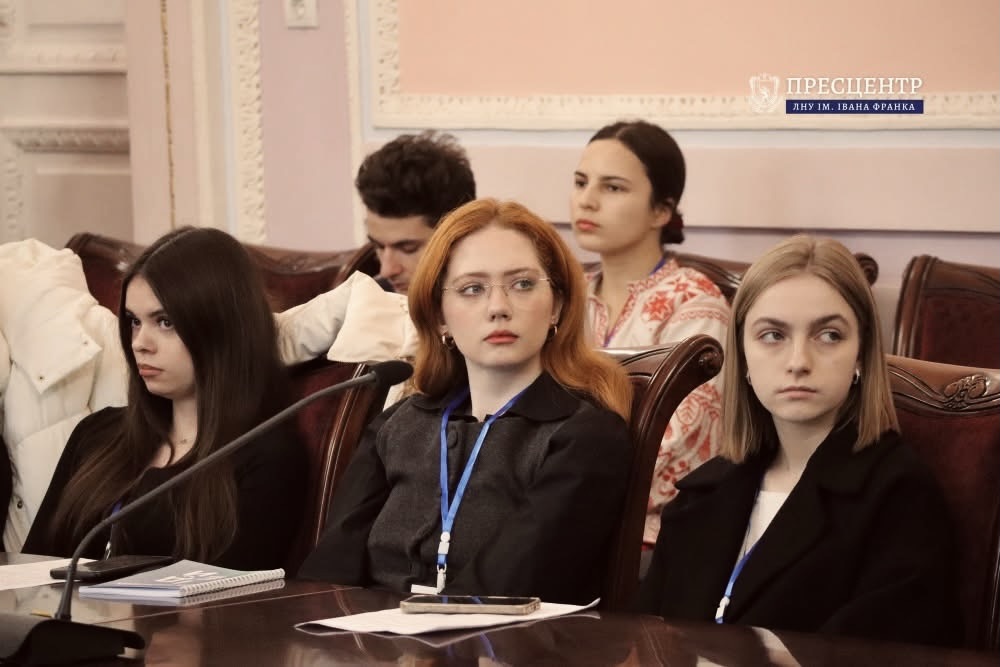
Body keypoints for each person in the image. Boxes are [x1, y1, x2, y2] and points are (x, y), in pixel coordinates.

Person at [300, 198, 633, 604]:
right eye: (472, 289)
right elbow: (327, 574)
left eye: (523, 284)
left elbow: (508, 589)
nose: (498, 308)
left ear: (557, 306)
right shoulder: (398, 424)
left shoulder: (586, 436)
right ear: (440, 316)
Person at [637, 235, 960, 646]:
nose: (798, 362)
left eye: (829, 335)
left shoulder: (900, 495)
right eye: (773, 335)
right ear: (743, 355)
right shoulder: (702, 494)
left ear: (861, 354)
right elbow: (647, 638)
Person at [23, 227, 307, 569]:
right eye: (134, 321)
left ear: (221, 328)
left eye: (165, 322)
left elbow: (232, 593)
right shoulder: (95, 434)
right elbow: (32, 567)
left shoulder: (267, 457)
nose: (140, 343)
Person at [571, 119, 731, 545]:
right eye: (581, 182)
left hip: (654, 537)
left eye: (612, 187)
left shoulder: (696, 303)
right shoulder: (564, 298)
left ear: (661, 210)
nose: (586, 200)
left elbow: (680, 445)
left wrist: (560, 487)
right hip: (553, 515)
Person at [356, 130, 476, 294]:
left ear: (460, 235)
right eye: (379, 246)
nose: (387, 270)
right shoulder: (366, 300)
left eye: (408, 248)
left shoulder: (501, 301)